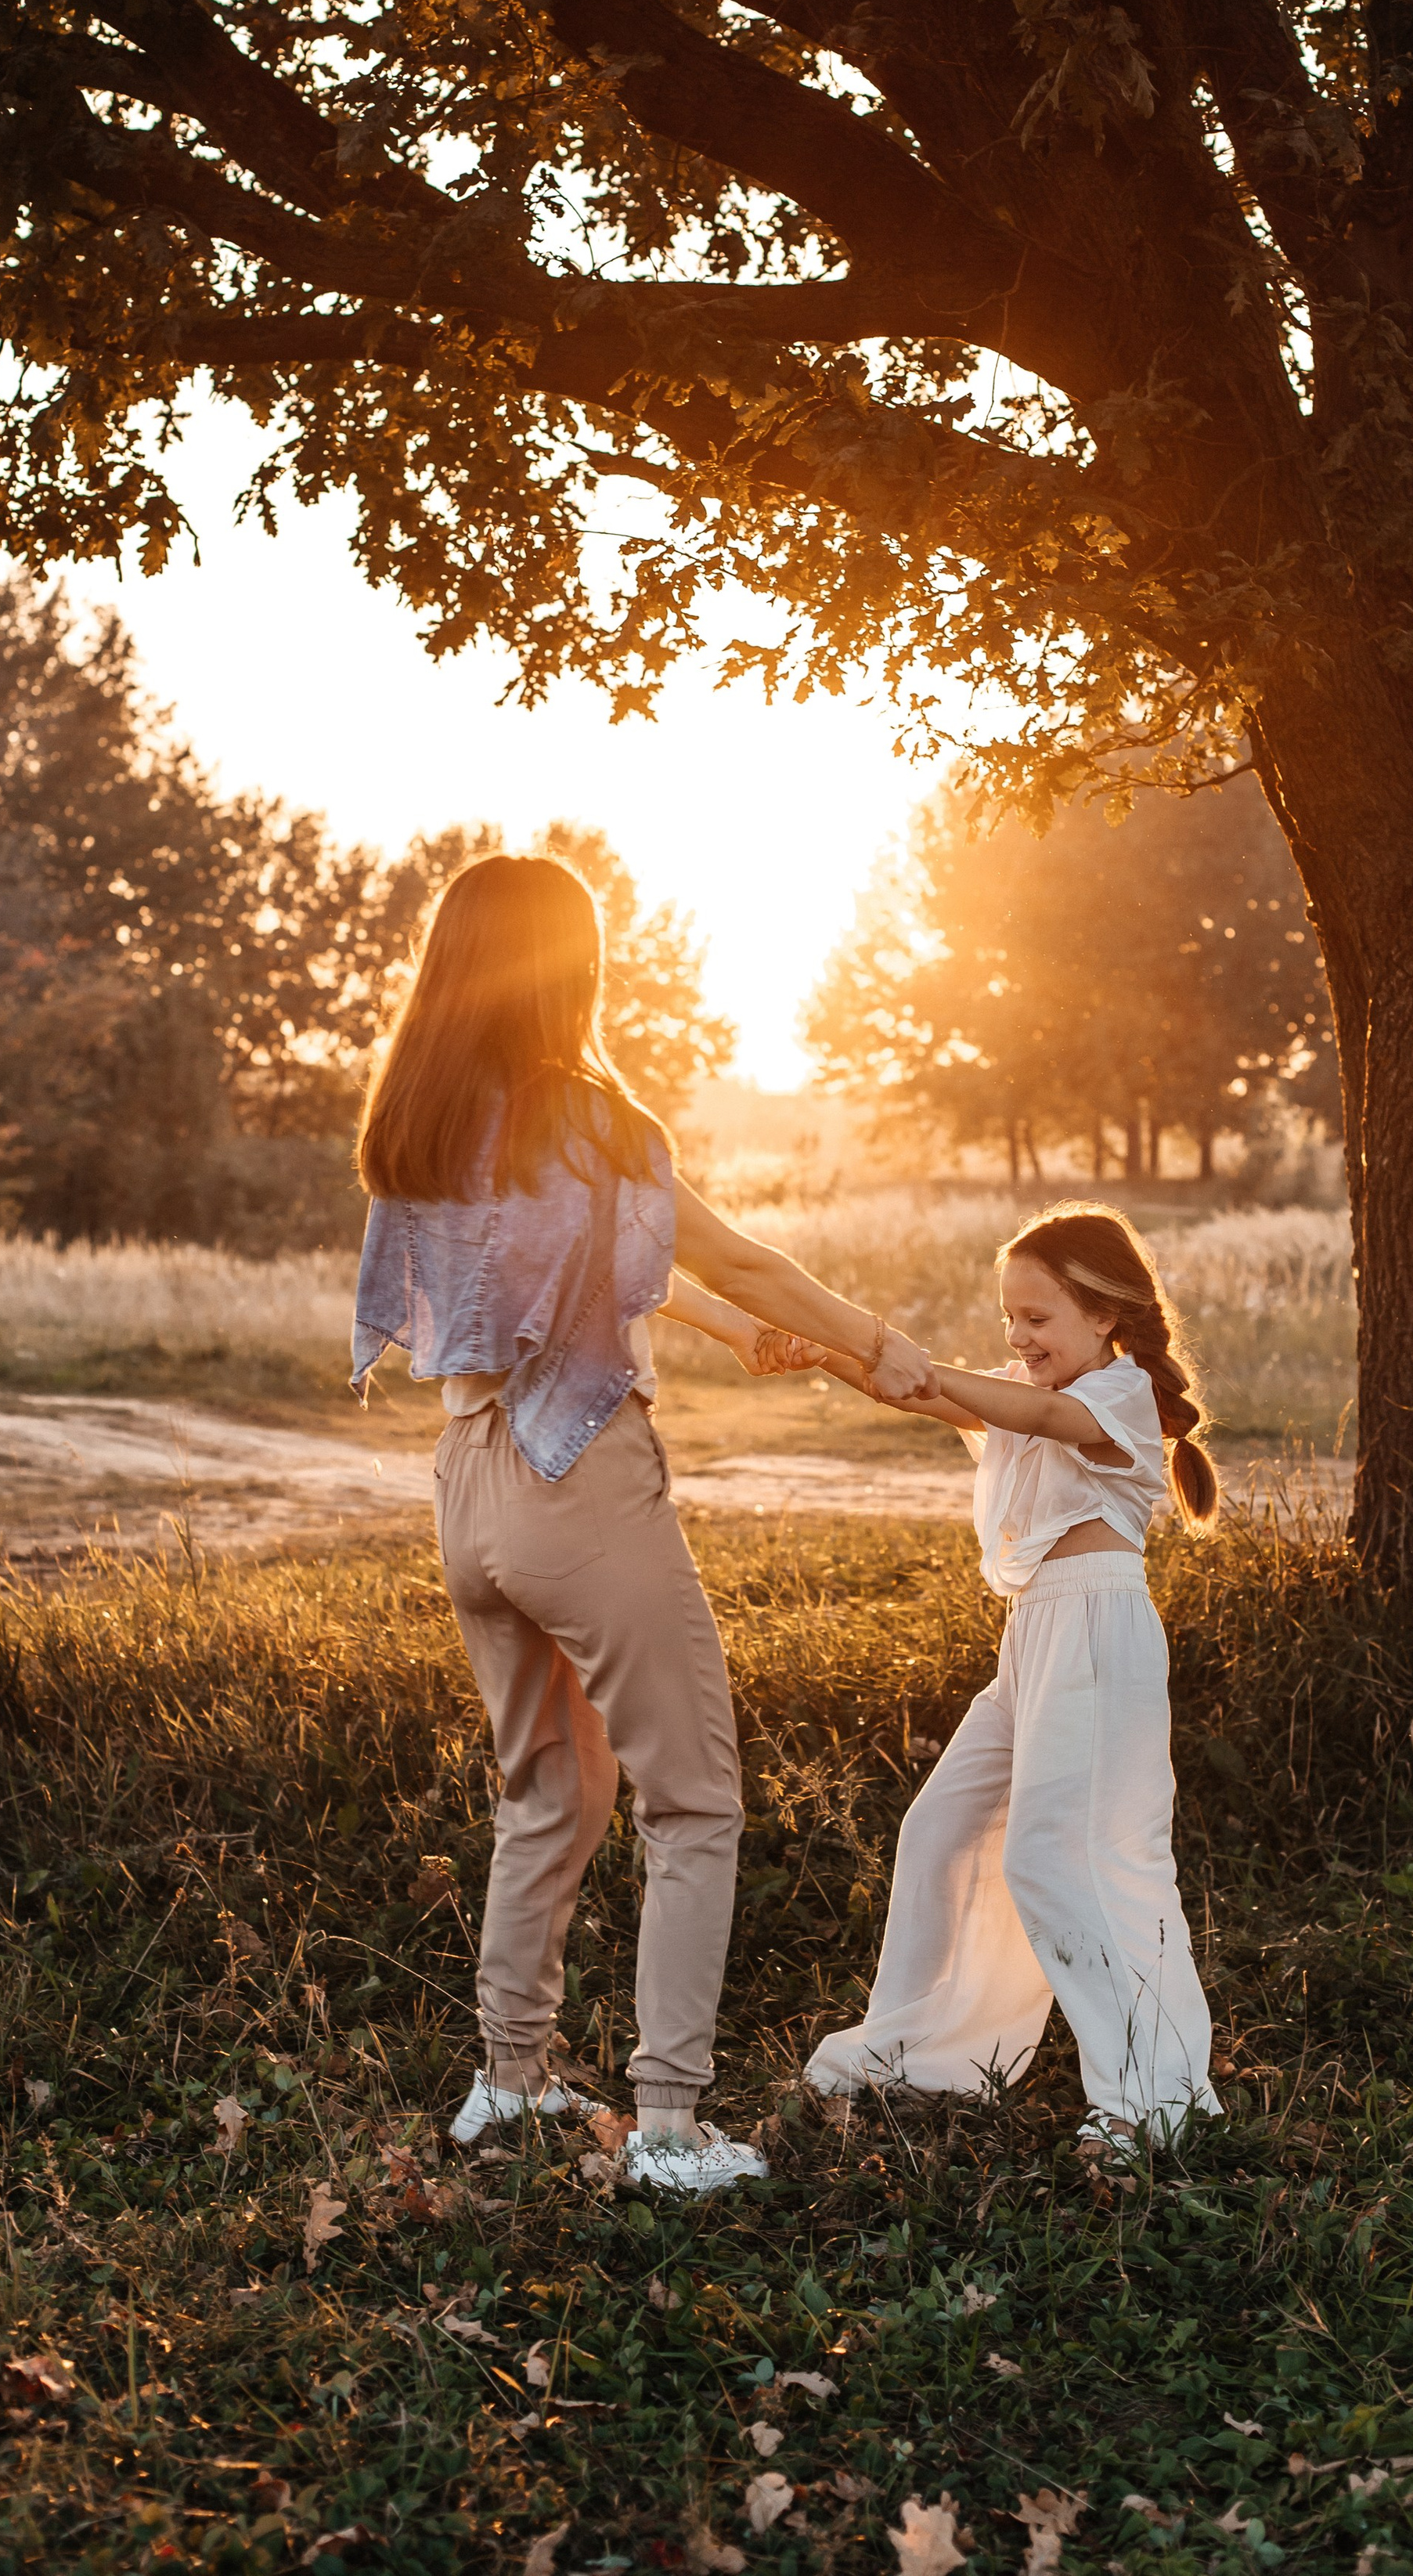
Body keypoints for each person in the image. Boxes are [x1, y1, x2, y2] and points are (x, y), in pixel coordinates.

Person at [350, 852, 932, 2195]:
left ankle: (508, 2085)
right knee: (693, 1801)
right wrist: (877, 1344)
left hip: (467, 1484)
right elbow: (726, 1250)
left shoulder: (420, 1127)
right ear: (573, 970)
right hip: (582, 1487)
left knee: (547, 1795)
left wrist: (739, 1338)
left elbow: (600, 1275)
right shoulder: (592, 1119)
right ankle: (668, 2128)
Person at [802, 1205, 1222, 2152]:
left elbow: (1031, 1415)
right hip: (1034, 1637)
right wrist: (824, 1351)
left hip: (1096, 1629)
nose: (1018, 1338)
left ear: (1105, 1315)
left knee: (1066, 1858)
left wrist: (924, 1366)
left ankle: (1149, 2100)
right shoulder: (1035, 1384)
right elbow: (933, 1397)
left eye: (1038, 1318)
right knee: (943, 1827)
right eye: (1010, 1319)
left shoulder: (1118, 1396)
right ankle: (924, 2052)